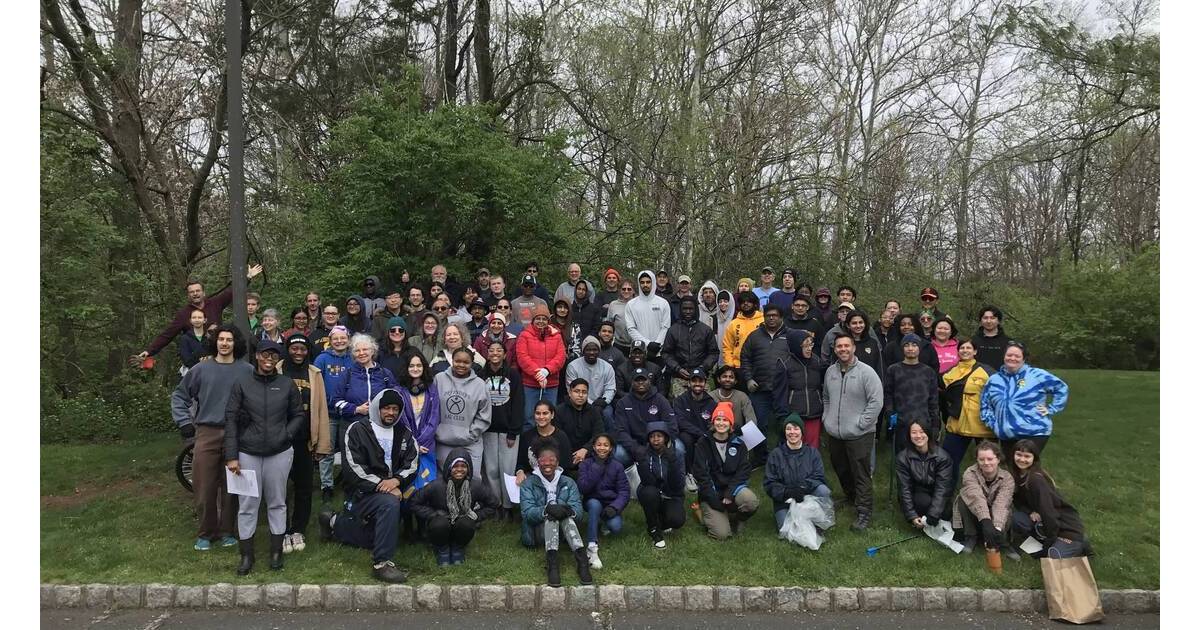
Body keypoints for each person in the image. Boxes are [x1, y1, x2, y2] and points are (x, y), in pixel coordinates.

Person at [318, 389, 419, 583]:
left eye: (395, 409)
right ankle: (382, 564)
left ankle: (333, 522)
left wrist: (396, 481)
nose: (391, 413)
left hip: (394, 489)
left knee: (375, 536)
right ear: (377, 408)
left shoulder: (404, 433)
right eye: (387, 408)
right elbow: (353, 468)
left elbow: (413, 462)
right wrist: (385, 485)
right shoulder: (357, 429)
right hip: (362, 493)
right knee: (389, 504)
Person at [223, 339, 304, 575]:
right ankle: (246, 556)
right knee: (248, 504)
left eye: (274, 356)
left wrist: (286, 434)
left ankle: (276, 552)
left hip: (279, 452)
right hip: (247, 452)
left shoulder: (287, 384)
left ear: (278, 360)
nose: (269, 359)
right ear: (257, 356)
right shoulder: (242, 384)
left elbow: (298, 414)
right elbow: (231, 419)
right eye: (264, 355)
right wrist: (231, 455)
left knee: (277, 501)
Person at [170, 324, 252, 551]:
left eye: (229, 340)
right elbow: (180, 396)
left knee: (232, 486)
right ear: (215, 342)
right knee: (204, 485)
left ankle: (227, 531)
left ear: (236, 344)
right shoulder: (201, 369)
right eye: (221, 339)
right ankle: (206, 532)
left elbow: (255, 399)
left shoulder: (246, 370)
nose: (225, 343)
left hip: (237, 432)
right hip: (206, 432)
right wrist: (184, 422)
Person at [131, 264, 262, 365]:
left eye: (197, 291)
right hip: (196, 360)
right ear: (188, 295)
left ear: (203, 292)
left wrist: (248, 277)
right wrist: (149, 351)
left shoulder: (215, 303)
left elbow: (232, 292)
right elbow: (167, 335)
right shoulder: (183, 314)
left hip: (219, 356)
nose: (195, 293)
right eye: (191, 292)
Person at [279, 332, 333, 554]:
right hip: (279, 440)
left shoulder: (315, 373)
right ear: (288, 350)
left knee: (303, 488)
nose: (298, 353)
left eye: (302, 349)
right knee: (279, 489)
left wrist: (322, 444)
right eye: (294, 349)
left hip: (305, 440)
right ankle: (280, 530)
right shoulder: (278, 369)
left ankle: (297, 528)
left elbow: (321, 409)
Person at [823, 333, 883, 532]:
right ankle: (850, 498)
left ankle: (864, 511)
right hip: (835, 433)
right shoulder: (830, 372)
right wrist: (827, 418)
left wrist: (862, 423)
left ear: (853, 347)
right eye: (839, 346)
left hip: (860, 434)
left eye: (846, 346)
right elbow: (826, 397)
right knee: (841, 469)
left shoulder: (867, 372)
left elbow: (876, 402)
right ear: (835, 349)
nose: (843, 349)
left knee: (861, 473)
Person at [980, 342, 1068, 463]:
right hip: (1006, 434)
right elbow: (985, 404)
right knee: (1012, 469)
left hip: (1034, 431)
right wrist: (994, 424)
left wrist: (1052, 408)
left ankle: (1041, 482)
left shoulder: (1037, 375)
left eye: (1017, 356)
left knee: (1026, 467)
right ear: (1004, 356)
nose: (1012, 358)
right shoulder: (994, 379)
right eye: (1009, 355)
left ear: (1024, 358)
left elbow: (1061, 388)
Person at [518, 444, 592, 587]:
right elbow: (527, 513)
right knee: (551, 516)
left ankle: (582, 561)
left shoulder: (568, 482)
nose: (547, 464)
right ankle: (552, 563)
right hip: (538, 532)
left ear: (557, 462)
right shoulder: (528, 483)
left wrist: (566, 511)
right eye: (543, 460)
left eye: (551, 460)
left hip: (564, 533)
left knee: (564, 516)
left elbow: (579, 512)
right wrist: (547, 510)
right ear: (537, 463)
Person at [411, 448, 499, 566]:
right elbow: (414, 502)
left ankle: (458, 547)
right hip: (440, 521)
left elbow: (493, 503)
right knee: (439, 524)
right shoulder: (436, 485)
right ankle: (442, 548)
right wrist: (432, 514)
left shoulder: (475, 485)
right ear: (449, 468)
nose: (459, 470)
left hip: (462, 521)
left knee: (466, 524)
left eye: (463, 466)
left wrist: (476, 516)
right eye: (455, 466)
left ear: (468, 469)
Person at [1010, 439, 1091, 558]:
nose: (1022, 459)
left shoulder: (1036, 480)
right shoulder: (1016, 476)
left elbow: (1049, 512)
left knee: (1053, 555)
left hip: (1064, 527)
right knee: (1014, 518)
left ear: (1034, 458)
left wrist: (1050, 540)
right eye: (1019, 455)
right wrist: (1030, 511)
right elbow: (1017, 501)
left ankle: (1080, 543)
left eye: (1027, 456)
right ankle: (1042, 537)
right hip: (1044, 520)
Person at [692, 403, 759, 539]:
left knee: (751, 502)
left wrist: (730, 492)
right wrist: (713, 498)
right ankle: (701, 513)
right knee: (722, 534)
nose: (721, 423)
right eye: (718, 419)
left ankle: (739, 518)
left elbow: (743, 471)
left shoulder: (739, 443)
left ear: (731, 423)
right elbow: (701, 474)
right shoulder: (703, 443)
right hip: (711, 491)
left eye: (725, 420)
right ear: (713, 421)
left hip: (732, 489)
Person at [739, 303, 792, 464]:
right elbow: (745, 358)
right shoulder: (754, 336)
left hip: (783, 389)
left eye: (775, 315)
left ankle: (782, 456)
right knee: (754, 424)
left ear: (781, 317)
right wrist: (748, 378)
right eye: (768, 315)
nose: (771, 318)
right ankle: (759, 457)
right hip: (759, 388)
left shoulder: (790, 335)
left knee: (785, 424)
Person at [940, 339, 997, 488]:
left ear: (975, 351)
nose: (965, 350)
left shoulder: (987, 371)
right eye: (962, 348)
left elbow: (1000, 393)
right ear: (957, 351)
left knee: (988, 463)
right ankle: (946, 494)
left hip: (982, 424)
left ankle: (991, 494)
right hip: (957, 423)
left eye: (969, 348)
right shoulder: (950, 372)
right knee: (947, 461)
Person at [763, 415, 832, 531]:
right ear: (784, 432)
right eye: (788, 429)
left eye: (796, 428)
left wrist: (803, 487)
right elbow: (769, 483)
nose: (792, 432)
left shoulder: (812, 453)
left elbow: (818, 476)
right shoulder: (776, 454)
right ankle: (794, 518)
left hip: (807, 497)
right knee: (788, 532)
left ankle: (819, 519)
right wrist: (787, 491)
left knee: (823, 490)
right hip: (784, 501)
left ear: (802, 432)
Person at [479, 340, 523, 521]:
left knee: (508, 469)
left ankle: (509, 506)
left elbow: (518, 403)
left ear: (505, 355)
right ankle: (496, 504)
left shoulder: (513, 374)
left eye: (499, 350)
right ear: (487, 354)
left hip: (508, 431)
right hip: (488, 430)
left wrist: (514, 430)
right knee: (491, 470)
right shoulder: (481, 374)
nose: (495, 353)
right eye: (491, 350)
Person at [433, 348, 492, 478]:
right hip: (443, 441)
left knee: (474, 478)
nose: (461, 365)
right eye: (457, 361)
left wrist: (470, 434)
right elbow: (431, 408)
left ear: (472, 363)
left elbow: (484, 414)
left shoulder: (480, 385)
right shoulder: (439, 379)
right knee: (444, 479)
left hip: (470, 443)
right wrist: (437, 431)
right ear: (451, 361)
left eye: (466, 362)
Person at [952, 441, 1016, 557]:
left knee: (1007, 507)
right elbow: (976, 497)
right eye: (982, 459)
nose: (986, 463)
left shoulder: (1007, 478)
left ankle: (1001, 540)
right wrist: (986, 522)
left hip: (996, 514)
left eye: (990, 459)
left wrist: (996, 528)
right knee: (963, 498)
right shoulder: (970, 473)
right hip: (976, 512)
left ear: (998, 459)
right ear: (977, 460)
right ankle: (971, 536)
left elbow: (1002, 502)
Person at [575, 433, 629, 569]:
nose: (602, 448)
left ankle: (603, 522)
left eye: (606, 445)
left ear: (611, 448)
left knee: (615, 527)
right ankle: (592, 547)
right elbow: (583, 487)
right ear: (593, 447)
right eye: (599, 445)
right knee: (594, 505)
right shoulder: (585, 464)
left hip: (610, 503)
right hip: (592, 500)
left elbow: (624, 491)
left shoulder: (617, 466)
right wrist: (597, 467)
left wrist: (615, 508)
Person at [331, 334, 400, 439]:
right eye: (357, 350)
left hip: (379, 430)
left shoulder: (385, 374)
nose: (361, 353)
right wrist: (357, 409)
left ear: (372, 351)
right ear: (353, 354)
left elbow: (396, 400)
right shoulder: (347, 375)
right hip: (351, 429)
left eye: (365, 349)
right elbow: (336, 402)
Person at [313, 326, 353, 503]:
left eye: (343, 338)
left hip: (349, 412)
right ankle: (326, 486)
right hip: (328, 412)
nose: (339, 341)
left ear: (348, 339)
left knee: (349, 449)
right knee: (326, 450)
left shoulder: (353, 358)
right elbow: (315, 381)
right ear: (330, 340)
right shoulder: (322, 359)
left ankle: (349, 481)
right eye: (335, 338)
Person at [613, 367, 683, 467]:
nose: (640, 383)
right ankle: (627, 480)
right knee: (619, 454)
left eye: (643, 380)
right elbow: (620, 431)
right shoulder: (623, 403)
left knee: (679, 448)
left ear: (649, 381)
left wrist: (660, 443)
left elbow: (672, 425)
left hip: (658, 441)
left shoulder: (661, 400)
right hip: (634, 443)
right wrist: (635, 448)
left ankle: (679, 478)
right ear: (632, 383)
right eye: (637, 380)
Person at [883, 333, 941, 453]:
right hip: (901, 422)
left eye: (914, 345)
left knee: (923, 456)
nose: (910, 348)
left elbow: (933, 399)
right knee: (902, 457)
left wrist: (935, 423)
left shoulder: (928, 372)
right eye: (907, 345)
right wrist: (890, 414)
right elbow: (888, 394)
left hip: (923, 422)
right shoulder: (893, 370)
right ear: (902, 348)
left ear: (919, 348)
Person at [635, 422, 688, 548]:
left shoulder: (677, 454)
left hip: (671, 493)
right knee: (649, 493)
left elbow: (678, 485)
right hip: (651, 491)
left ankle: (661, 519)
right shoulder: (644, 453)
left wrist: (673, 463)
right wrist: (642, 464)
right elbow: (647, 481)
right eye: (652, 436)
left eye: (659, 436)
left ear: (666, 437)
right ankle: (653, 529)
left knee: (676, 520)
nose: (656, 439)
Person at [515, 304, 567, 431]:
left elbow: (561, 356)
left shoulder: (556, 335)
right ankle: (529, 448)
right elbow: (522, 357)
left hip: (551, 384)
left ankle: (547, 447)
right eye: (538, 318)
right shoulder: (524, 335)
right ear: (533, 320)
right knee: (530, 417)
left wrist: (547, 370)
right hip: (530, 384)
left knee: (549, 417)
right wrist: (538, 373)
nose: (541, 321)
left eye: (544, 319)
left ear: (548, 321)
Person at [895, 420, 954, 531]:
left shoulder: (943, 457)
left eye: (922, 432)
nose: (918, 436)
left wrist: (933, 514)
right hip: (918, 495)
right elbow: (904, 488)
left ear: (928, 433)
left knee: (945, 511)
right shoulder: (902, 458)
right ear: (909, 435)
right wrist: (911, 515)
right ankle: (919, 520)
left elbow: (943, 488)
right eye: (914, 432)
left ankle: (933, 519)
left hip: (937, 495)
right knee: (922, 501)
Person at [661, 296, 719, 398]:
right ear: (680, 310)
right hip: (679, 377)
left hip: (701, 376)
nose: (687, 312)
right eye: (685, 309)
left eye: (690, 309)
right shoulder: (673, 330)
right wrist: (677, 368)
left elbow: (713, 353)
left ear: (695, 310)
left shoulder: (705, 330)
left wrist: (703, 367)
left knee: (705, 406)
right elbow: (666, 353)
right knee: (679, 406)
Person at [777, 331, 824, 450]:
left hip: (814, 414)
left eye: (811, 345)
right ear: (796, 346)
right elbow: (779, 393)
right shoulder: (784, 364)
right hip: (794, 415)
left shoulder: (817, 361)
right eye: (805, 346)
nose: (809, 349)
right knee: (794, 448)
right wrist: (783, 416)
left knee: (812, 449)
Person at [673, 369, 718, 488]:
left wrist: (707, 433)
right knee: (687, 439)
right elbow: (680, 422)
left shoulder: (711, 403)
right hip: (687, 434)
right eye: (694, 381)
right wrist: (700, 433)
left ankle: (708, 473)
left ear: (705, 383)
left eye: (700, 381)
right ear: (689, 383)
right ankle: (689, 474)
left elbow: (714, 422)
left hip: (705, 435)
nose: (697, 384)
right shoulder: (680, 400)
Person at [517, 399, 577, 479]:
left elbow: (566, 466)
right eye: (538, 413)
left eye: (545, 413)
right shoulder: (527, 436)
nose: (541, 417)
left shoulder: (561, 437)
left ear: (552, 415)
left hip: (557, 480)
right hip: (532, 480)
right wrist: (520, 472)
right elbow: (521, 463)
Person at [554, 379, 607, 466]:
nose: (580, 395)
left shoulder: (593, 411)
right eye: (577, 391)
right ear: (570, 392)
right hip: (565, 455)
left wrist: (585, 449)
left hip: (589, 454)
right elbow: (557, 437)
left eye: (584, 392)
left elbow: (599, 434)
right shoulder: (559, 411)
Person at [398, 352, 440, 460]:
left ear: (424, 367)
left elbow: (433, 419)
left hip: (426, 445)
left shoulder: (432, 389)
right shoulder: (399, 391)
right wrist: (413, 444)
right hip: (405, 445)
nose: (415, 369)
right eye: (411, 366)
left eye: (419, 365)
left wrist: (420, 442)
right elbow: (402, 422)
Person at [624, 270, 672, 361]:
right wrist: (648, 344)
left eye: (648, 282)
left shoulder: (663, 303)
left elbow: (666, 327)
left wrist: (657, 344)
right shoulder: (631, 304)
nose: (645, 285)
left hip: (659, 351)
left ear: (653, 282)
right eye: (642, 282)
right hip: (638, 352)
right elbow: (631, 328)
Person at [566, 337, 617, 417]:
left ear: (599, 351)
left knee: (607, 414)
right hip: (579, 401)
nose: (592, 352)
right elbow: (572, 389)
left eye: (595, 350)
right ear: (583, 351)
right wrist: (588, 405)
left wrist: (603, 402)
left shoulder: (607, 367)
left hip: (601, 403)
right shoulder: (573, 366)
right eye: (588, 350)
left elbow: (610, 389)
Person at [721, 291, 763, 370]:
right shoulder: (733, 324)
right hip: (738, 366)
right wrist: (730, 365)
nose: (745, 304)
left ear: (755, 304)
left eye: (749, 301)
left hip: (760, 366)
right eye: (743, 302)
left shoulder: (763, 321)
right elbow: (727, 347)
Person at [708, 364, 756, 432]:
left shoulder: (742, 396)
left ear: (735, 381)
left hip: (737, 434)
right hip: (714, 433)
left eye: (731, 377)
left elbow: (751, 420)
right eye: (724, 376)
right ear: (718, 379)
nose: (728, 379)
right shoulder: (710, 396)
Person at [971, 306, 1012, 371]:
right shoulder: (972, 341)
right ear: (981, 320)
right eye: (985, 318)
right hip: (977, 379)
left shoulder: (1009, 342)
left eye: (992, 318)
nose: (988, 321)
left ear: (998, 321)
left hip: (1001, 379)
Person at [607, 280, 636, 355]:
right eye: (623, 289)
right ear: (620, 290)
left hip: (635, 344)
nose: (626, 291)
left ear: (633, 291)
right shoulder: (613, 305)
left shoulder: (638, 304)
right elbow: (609, 325)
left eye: (629, 289)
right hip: (618, 344)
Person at [551, 299, 582, 363]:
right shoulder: (548, 324)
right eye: (560, 307)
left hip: (569, 360)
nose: (562, 310)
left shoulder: (575, 327)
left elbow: (577, 348)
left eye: (565, 308)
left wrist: (569, 357)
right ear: (555, 309)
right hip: (551, 359)